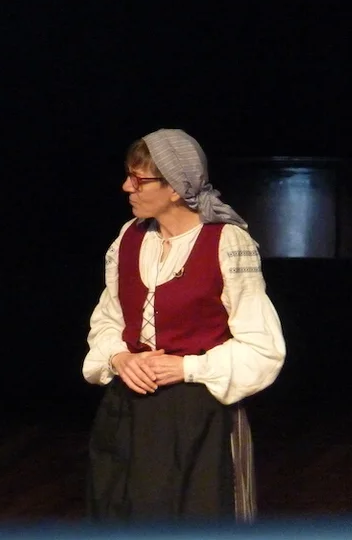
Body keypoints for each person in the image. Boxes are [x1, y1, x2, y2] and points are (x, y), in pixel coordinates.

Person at [82, 128, 285, 522]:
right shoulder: (129, 238)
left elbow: (263, 347)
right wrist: (120, 358)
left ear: (174, 188)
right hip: (128, 411)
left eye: (138, 179)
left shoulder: (226, 242)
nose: (126, 187)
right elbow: (107, 319)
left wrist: (186, 367)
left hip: (197, 412)